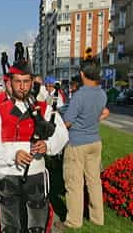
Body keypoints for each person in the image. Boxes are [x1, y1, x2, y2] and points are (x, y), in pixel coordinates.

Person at [0, 52, 69, 232]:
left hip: (36, 174)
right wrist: (12, 155)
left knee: (37, 226)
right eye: (18, 81)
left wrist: (48, 145)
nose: (22, 86)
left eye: (26, 81)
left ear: (32, 82)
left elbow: (61, 133)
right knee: (10, 227)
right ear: (10, 82)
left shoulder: (43, 107)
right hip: (8, 173)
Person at [55, 50, 108, 231]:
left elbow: (67, 121)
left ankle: (73, 221)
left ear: (82, 74)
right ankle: (97, 218)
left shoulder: (79, 95)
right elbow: (100, 114)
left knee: (74, 182)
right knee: (94, 181)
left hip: (77, 143)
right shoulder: (102, 94)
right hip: (95, 142)